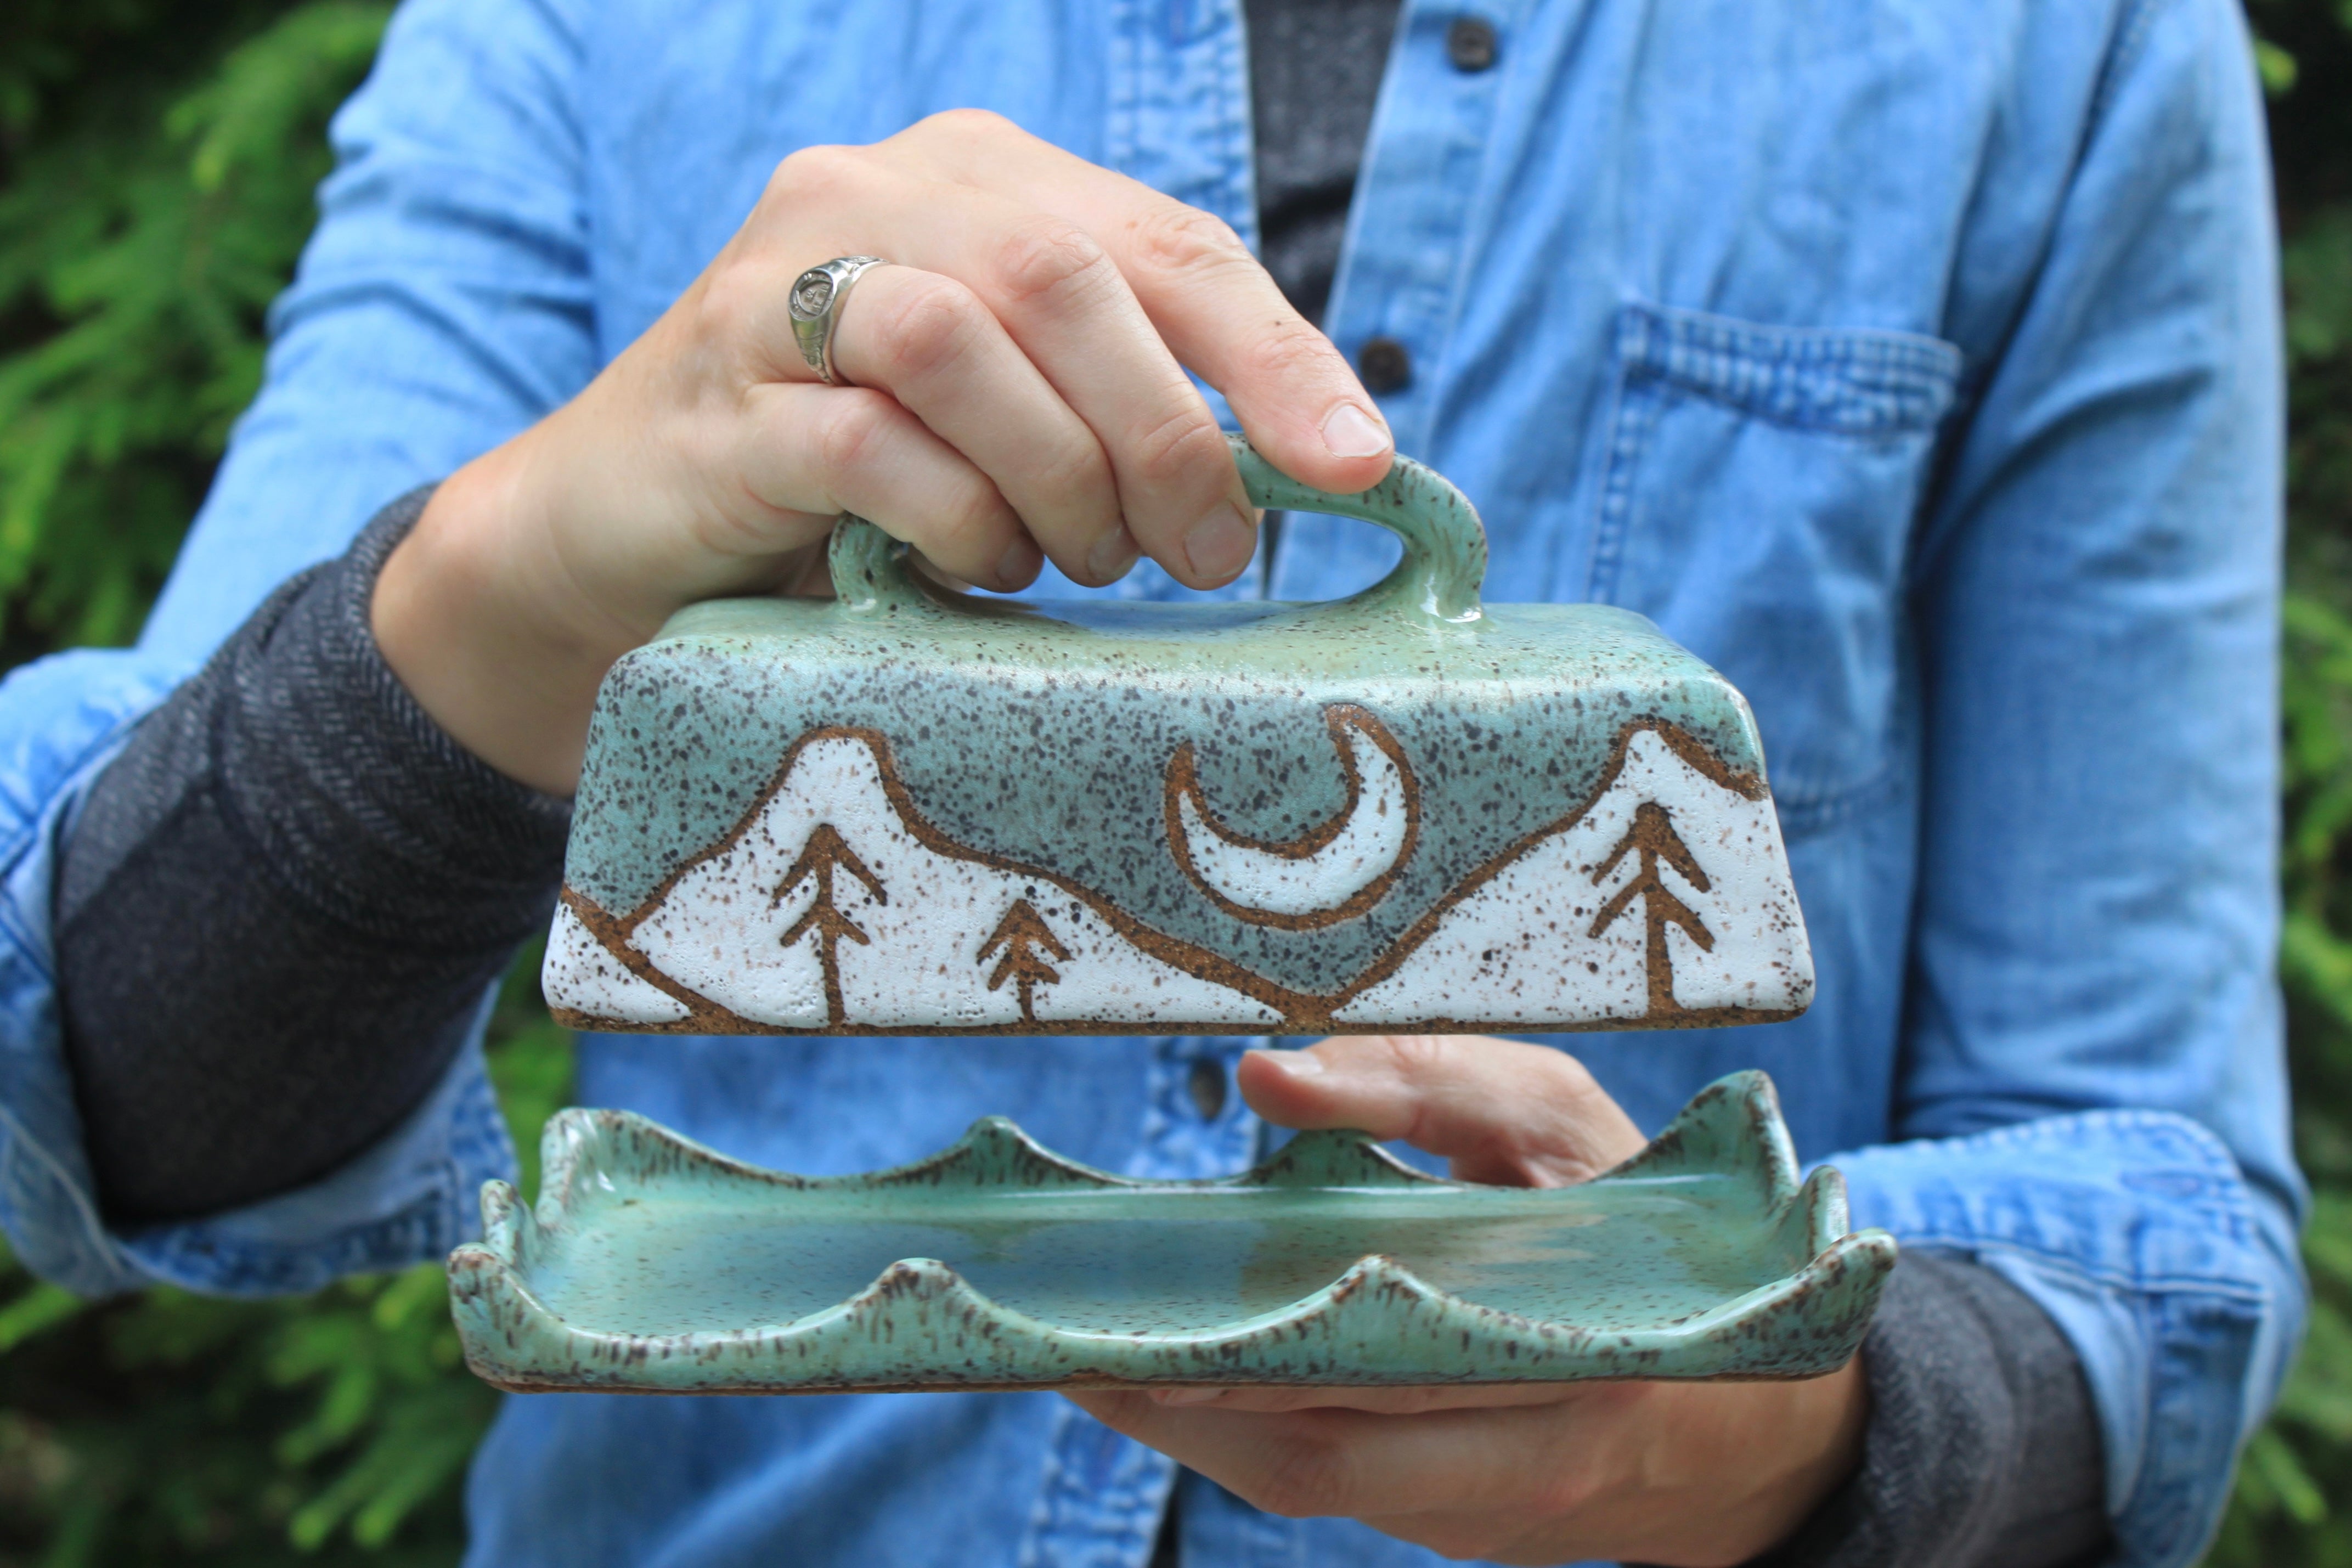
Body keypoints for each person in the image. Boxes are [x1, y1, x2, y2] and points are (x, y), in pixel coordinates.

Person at [0, 0, 2299, 1563]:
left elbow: (2153, 1200)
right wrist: (520, 575)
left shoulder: (2047, 38)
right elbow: (90, 1072)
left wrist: (1796, 1427)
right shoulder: (600, 30)